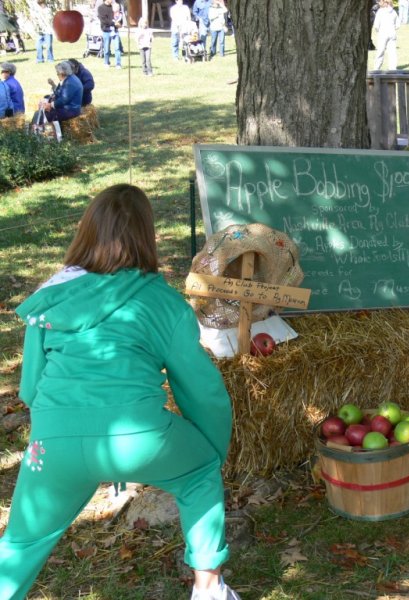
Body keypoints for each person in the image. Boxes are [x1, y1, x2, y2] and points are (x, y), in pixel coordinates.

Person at [0, 184, 242, 600]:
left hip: (52, 443)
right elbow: (201, 389)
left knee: (21, 542)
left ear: (86, 231)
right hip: (138, 436)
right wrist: (212, 445)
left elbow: (30, 386)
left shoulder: (51, 297)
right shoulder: (162, 302)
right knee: (199, 470)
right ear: (146, 236)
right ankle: (209, 589)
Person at [373, 0, 400, 70]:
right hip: (392, 33)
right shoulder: (394, 12)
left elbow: (376, 25)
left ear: (385, 3)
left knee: (380, 52)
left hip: (383, 33)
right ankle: (393, 69)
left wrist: (378, 30)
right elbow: (397, 25)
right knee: (392, 52)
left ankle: (376, 68)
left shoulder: (380, 11)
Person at [98, 0, 122, 68]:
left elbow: (118, 15)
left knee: (117, 48)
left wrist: (120, 23)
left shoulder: (114, 6)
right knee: (106, 48)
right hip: (106, 30)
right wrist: (114, 23)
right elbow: (104, 20)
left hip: (115, 30)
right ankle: (106, 62)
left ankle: (118, 63)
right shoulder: (101, 8)